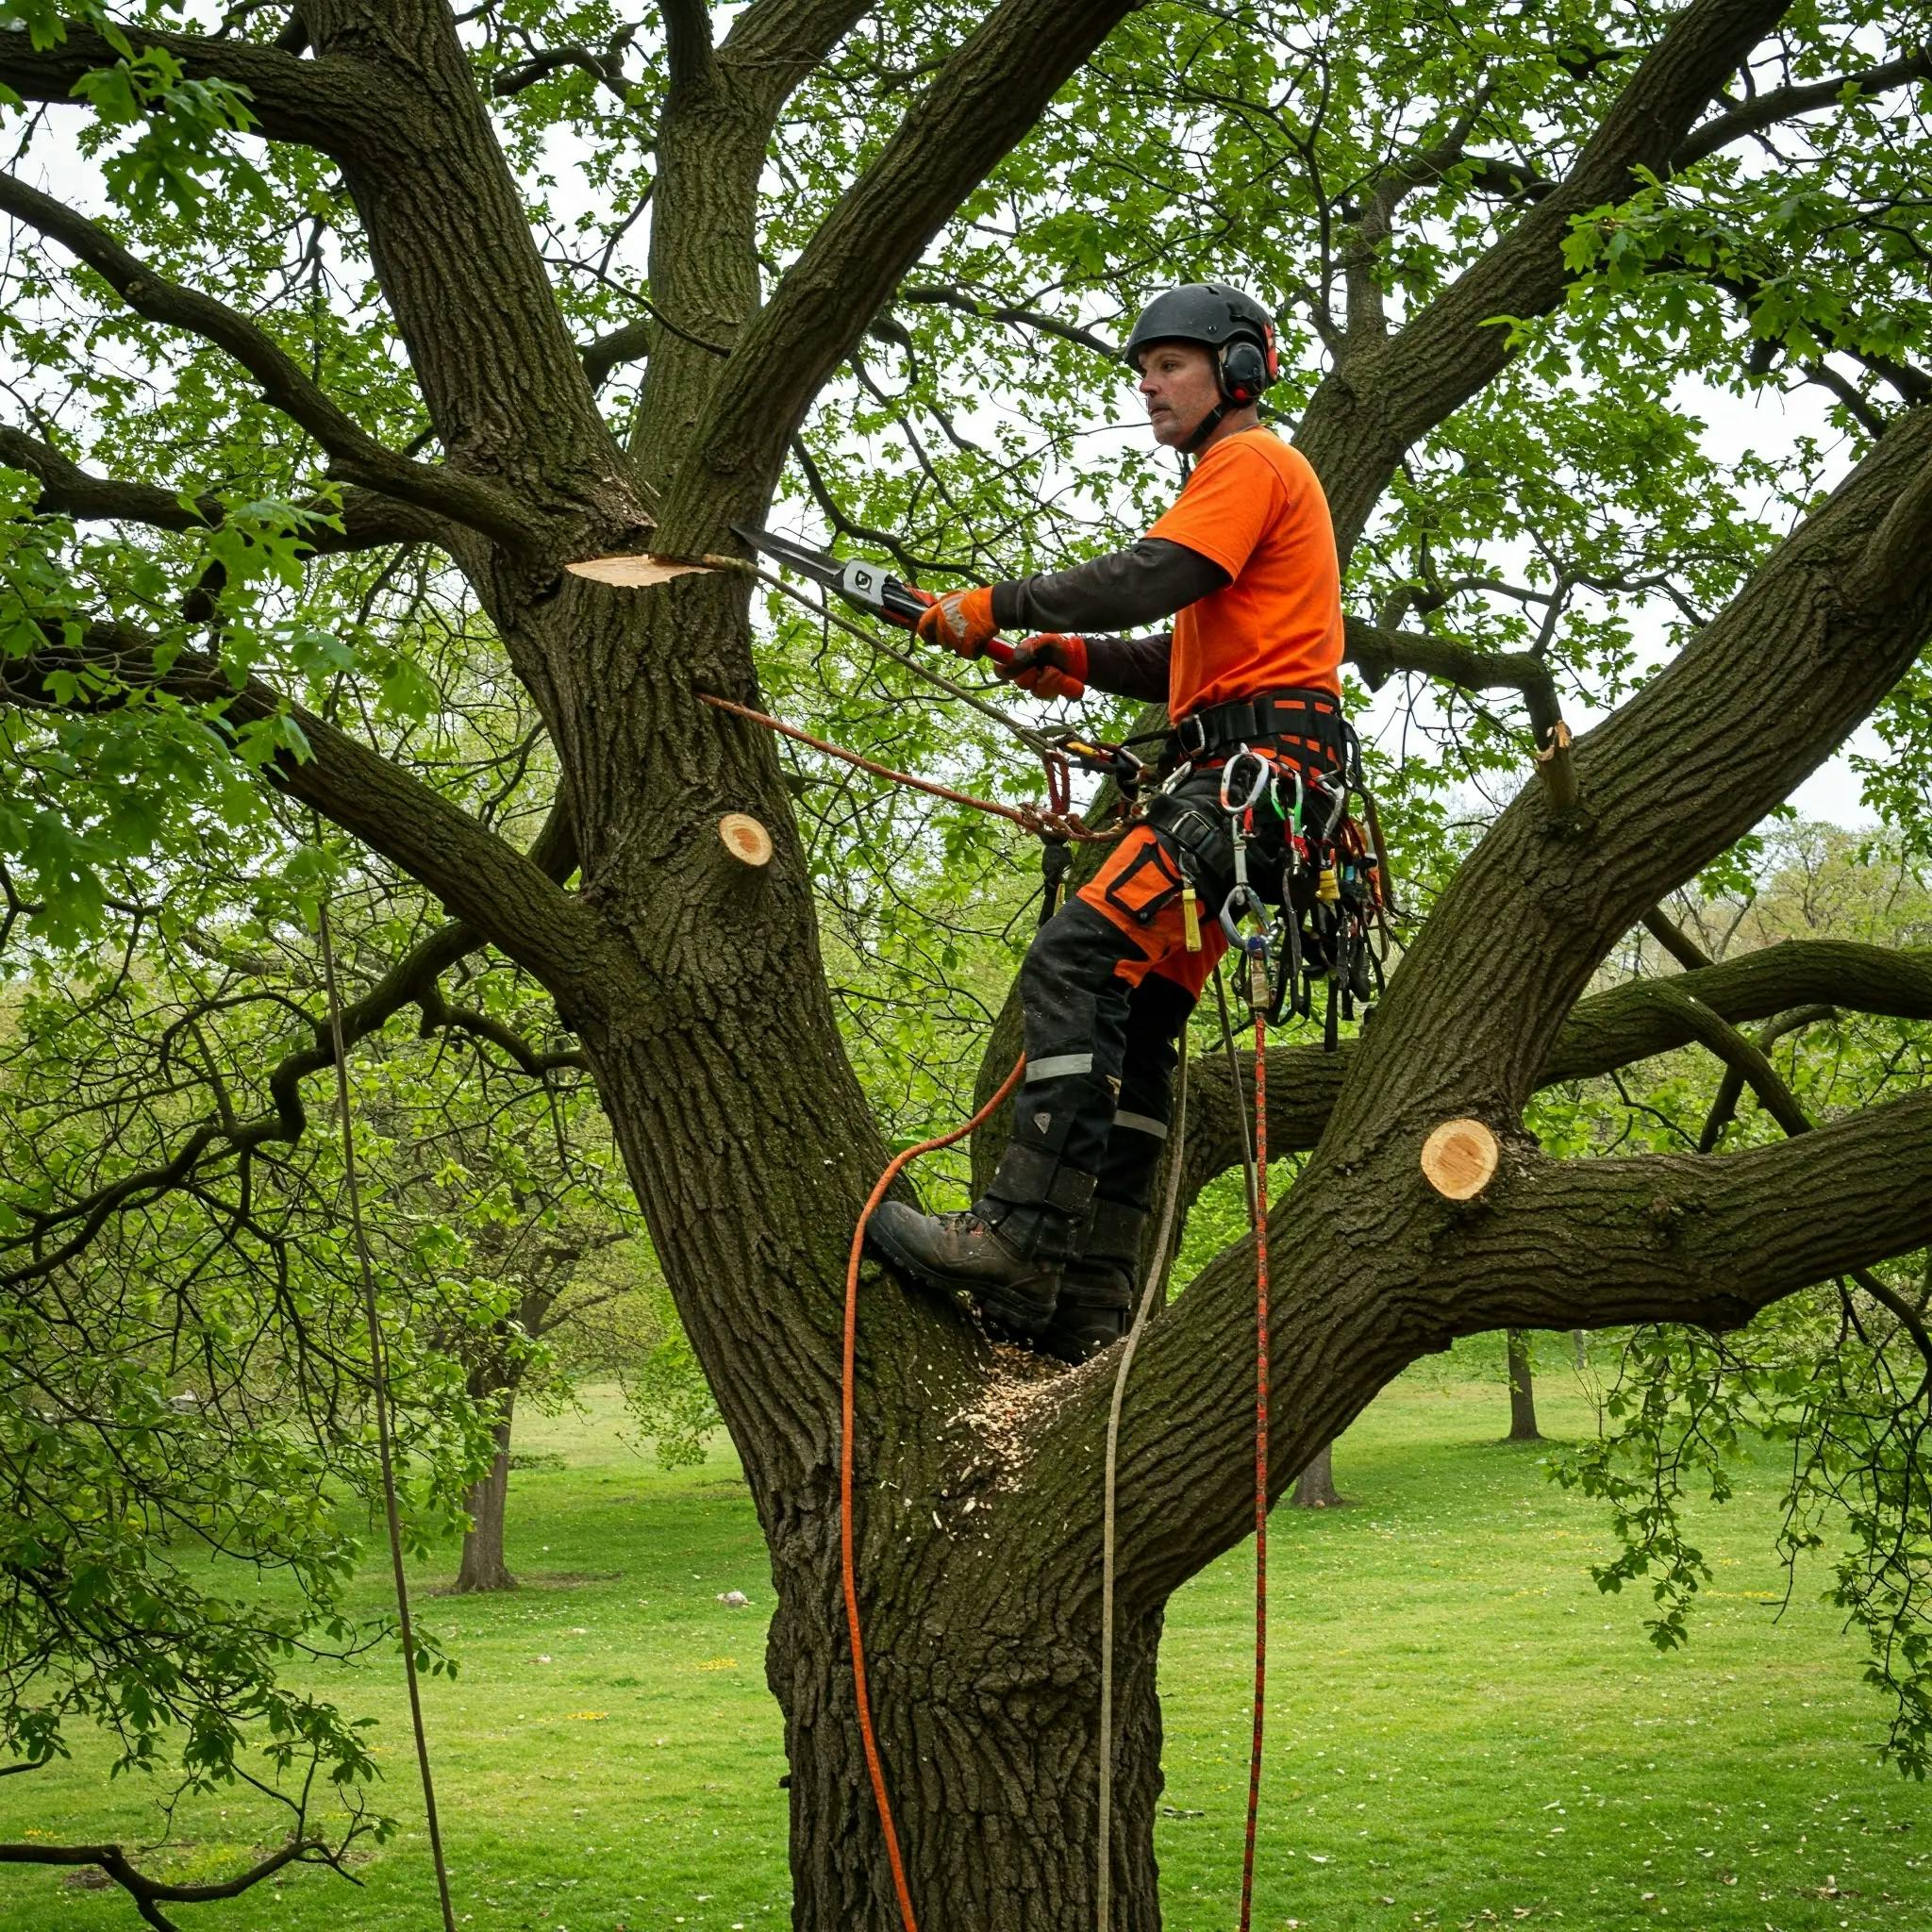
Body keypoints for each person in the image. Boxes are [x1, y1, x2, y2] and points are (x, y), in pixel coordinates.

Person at [866, 282, 1349, 1363]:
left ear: (1236, 370)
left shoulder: (1249, 462)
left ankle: (1014, 1238)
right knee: (1131, 1026)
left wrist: (1003, 604)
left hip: (1246, 781)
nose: (1147, 385)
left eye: (1168, 364)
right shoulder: (1241, 498)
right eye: (1143, 368)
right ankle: (1087, 1297)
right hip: (1257, 784)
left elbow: (1152, 574)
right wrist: (1067, 658)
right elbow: (1175, 655)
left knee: (1072, 960)